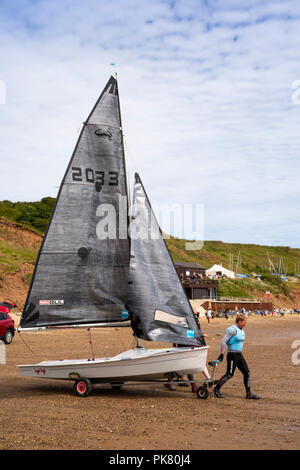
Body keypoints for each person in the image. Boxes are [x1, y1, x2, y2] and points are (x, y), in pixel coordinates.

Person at [213, 313, 261, 399]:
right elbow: (223, 341)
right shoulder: (233, 330)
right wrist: (222, 354)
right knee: (229, 374)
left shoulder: (241, 330)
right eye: (244, 322)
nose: (246, 323)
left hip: (239, 355)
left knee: (247, 373)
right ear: (239, 321)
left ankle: (249, 393)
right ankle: (216, 389)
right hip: (232, 355)